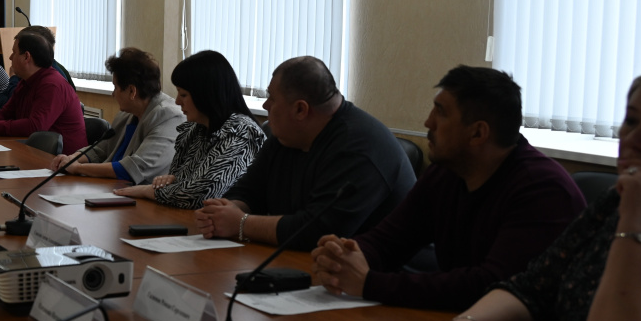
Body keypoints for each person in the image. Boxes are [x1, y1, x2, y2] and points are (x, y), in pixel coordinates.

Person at [412, 75, 641, 321]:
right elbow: (534, 287)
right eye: (631, 121)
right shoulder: (614, 201)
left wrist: (633, 220)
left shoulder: (625, 206)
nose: (633, 138)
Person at [311, 65, 586, 310]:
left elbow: (492, 286)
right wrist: (343, 256)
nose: (428, 122)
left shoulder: (543, 191)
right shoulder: (447, 173)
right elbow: (389, 241)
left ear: (478, 133)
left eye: (441, 113)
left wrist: (370, 284)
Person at [196, 56, 415, 248]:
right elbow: (248, 191)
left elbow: (319, 231)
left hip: (384, 274)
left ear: (300, 109)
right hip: (303, 261)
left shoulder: (360, 146)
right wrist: (223, 212)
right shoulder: (286, 135)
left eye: (272, 98)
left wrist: (241, 223)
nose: (265, 105)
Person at [114, 50, 265, 209]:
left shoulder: (241, 132)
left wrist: (147, 190)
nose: (177, 102)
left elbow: (200, 194)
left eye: (183, 95)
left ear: (206, 94)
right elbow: (178, 180)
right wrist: (172, 181)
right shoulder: (196, 130)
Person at [48, 48, 183, 182]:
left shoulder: (170, 118)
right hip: (110, 186)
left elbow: (135, 168)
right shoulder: (126, 114)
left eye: (115, 87)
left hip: (139, 192)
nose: (113, 94)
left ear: (132, 91)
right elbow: (101, 149)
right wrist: (72, 158)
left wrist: (78, 168)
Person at [0, 33, 87, 154]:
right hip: (35, 150)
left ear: (26, 57)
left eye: (14, 52)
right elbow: (6, 113)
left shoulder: (52, 85)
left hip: (62, 159)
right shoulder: (26, 81)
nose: (10, 57)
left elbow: (35, 126)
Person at [0, 26, 77, 111]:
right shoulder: (30, 73)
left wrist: (13, 78)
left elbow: (9, 108)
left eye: (15, 52)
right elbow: (1, 105)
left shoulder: (52, 81)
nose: (10, 57)